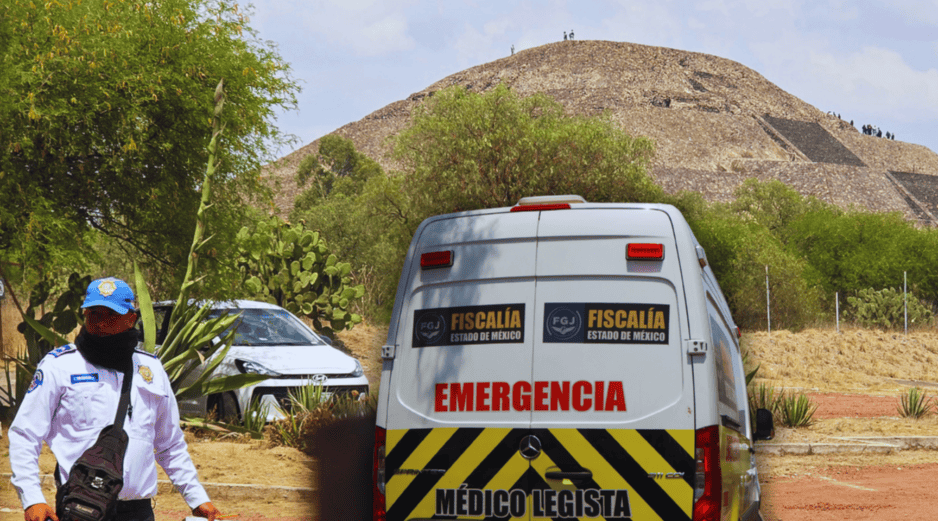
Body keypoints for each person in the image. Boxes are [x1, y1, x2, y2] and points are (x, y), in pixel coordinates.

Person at [9, 277, 222, 521]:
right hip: (81, 508)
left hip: (138, 511)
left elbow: (169, 444)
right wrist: (32, 499)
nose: (100, 322)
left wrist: (197, 498)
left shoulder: (150, 370)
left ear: (130, 318)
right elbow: (25, 435)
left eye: (110, 314)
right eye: (93, 313)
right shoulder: (60, 366)